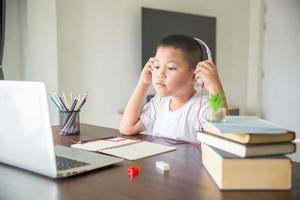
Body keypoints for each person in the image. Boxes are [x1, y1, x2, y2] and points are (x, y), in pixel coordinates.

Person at [119, 35, 227, 142]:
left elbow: (221, 135)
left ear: (195, 75)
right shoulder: (159, 102)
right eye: (156, 66)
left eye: (171, 68)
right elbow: (127, 128)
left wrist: (215, 87)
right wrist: (143, 82)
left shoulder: (203, 107)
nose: (160, 74)